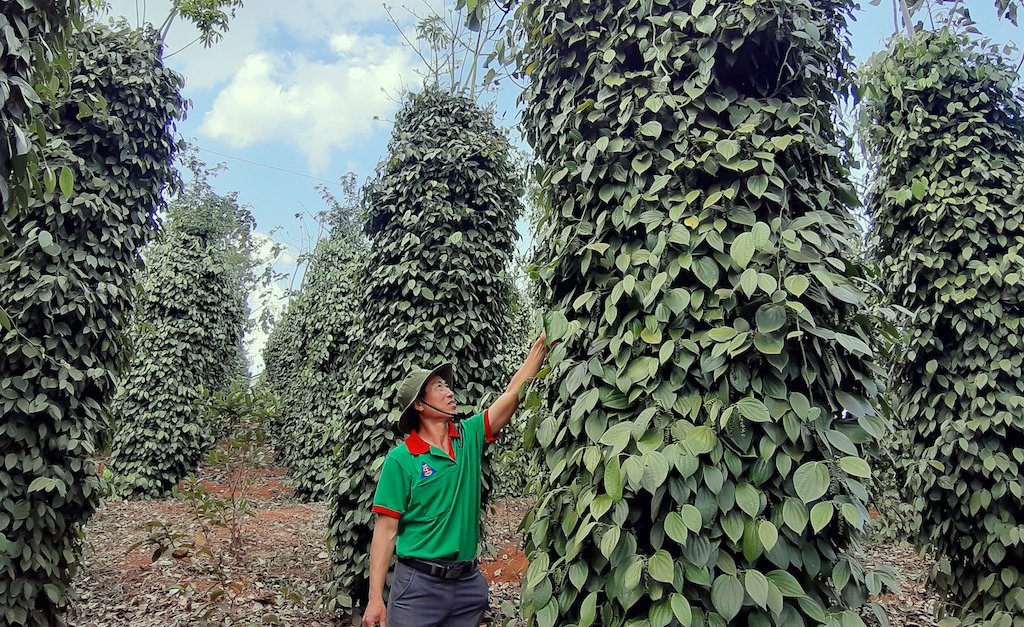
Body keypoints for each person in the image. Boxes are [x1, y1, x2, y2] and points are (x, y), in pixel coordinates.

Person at [361, 334, 549, 627]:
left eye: (447, 386)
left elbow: (512, 394)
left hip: (467, 588)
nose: (449, 392)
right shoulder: (401, 460)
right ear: (419, 405)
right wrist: (375, 599)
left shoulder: (468, 436)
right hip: (418, 589)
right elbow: (385, 532)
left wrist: (541, 348)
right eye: (438, 387)